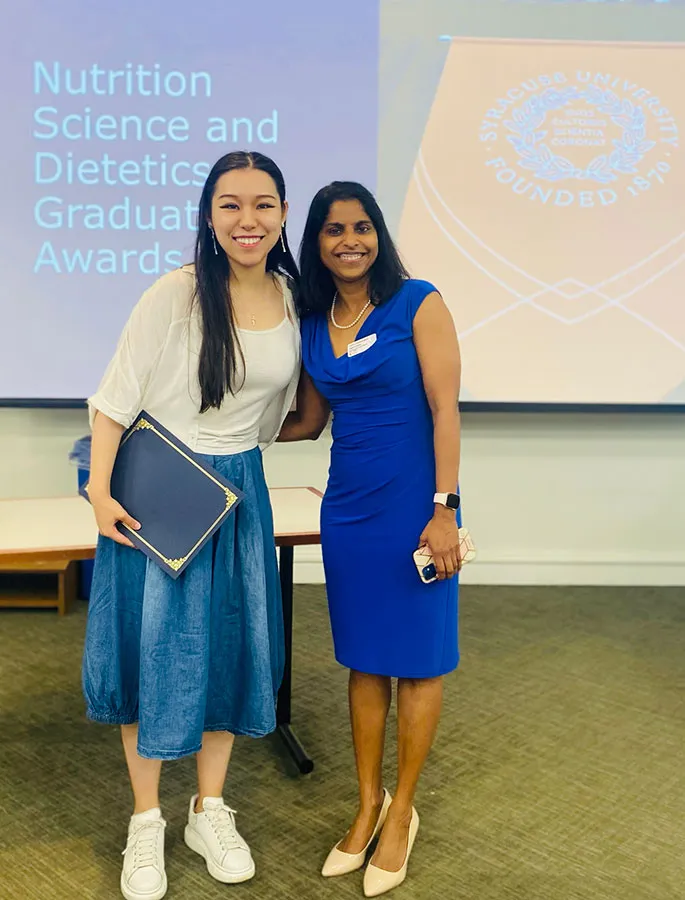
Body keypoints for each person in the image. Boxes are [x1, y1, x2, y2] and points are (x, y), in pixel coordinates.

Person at [83, 151, 301, 900]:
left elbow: (273, 417)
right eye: (232, 205)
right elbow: (111, 401)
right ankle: (146, 821)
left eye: (264, 204)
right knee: (152, 653)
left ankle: (209, 809)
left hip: (239, 489)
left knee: (225, 651)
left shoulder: (288, 296)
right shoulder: (174, 293)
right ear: (209, 217)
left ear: (281, 215)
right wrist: (100, 494)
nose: (249, 220)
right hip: (164, 489)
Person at [278, 181, 462, 897]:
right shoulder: (313, 321)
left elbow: (446, 411)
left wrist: (444, 508)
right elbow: (307, 421)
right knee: (363, 662)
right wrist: (219, 430)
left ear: (377, 234)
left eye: (360, 226)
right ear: (316, 243)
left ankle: (403, 811)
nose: (348, 239)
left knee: (417, 663)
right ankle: (366, 804)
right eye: (332, 230)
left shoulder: (418, 303)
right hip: (349, 513)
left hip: (417, 512)